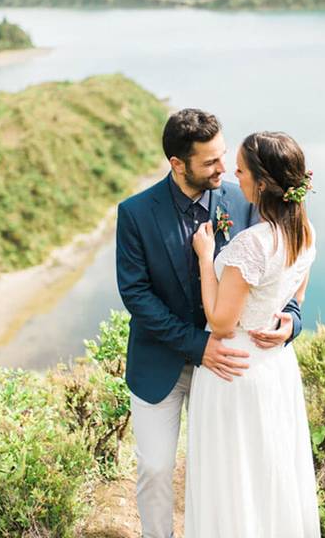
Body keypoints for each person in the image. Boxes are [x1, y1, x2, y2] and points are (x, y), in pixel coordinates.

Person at [115, 110, 304, 538]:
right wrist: (198, 345)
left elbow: (281, 263)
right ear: (177, 164)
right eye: (211, 162)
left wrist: (292, 320)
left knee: (226, 470)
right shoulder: (135, 213)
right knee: (157, 468)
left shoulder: (246, 200)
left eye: (224, 156)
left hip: (230, 371)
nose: (225, 169)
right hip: (161, 364)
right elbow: (136, 295)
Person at [184, 130, 320, 537]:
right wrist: (285, 321)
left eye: (241, 170)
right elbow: (297, 291)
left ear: (262, 183)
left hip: (233, 369)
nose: (233, 176)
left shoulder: (253, 243)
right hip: (274, 369)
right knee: (271, 472)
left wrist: (206, 260)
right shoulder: (305, 233)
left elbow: (222, 321)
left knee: (232, 475)